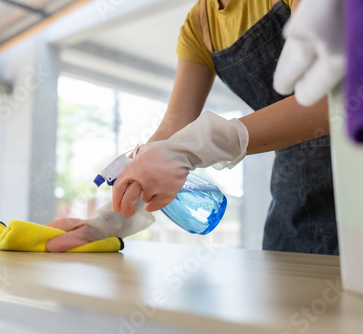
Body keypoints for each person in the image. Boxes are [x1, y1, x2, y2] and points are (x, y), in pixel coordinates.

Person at [47, 0, 339, 256]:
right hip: (293, 196)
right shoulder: (199, 25)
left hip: (360, 176)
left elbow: (332, 102)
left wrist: (193, 147)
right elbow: (173, 126)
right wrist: (108, 221)